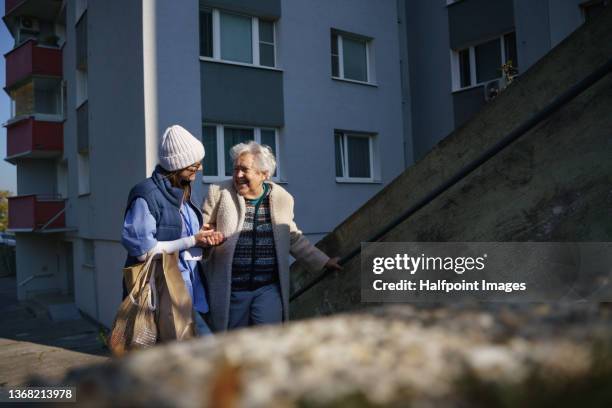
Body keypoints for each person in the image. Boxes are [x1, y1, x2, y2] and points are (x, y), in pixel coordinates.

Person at [202, 141, 342, 332]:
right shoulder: (219, 193)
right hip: (231, 290)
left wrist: (324, 261)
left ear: (264, 174)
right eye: (235, 169)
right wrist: (207, 239)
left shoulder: (282, 198)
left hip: (267, 288)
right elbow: (202, 229)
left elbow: (292, 236)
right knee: (233, 347)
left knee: (270, 340)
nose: (238, 175)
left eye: (244, 170)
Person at [121, 124, 224, 336]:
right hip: (165, 290)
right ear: (177, 165)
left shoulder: (182, 190)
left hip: (191, 284)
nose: (199, 170)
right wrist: (192, 240)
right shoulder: (146, 195)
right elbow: (142, 251)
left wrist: (202, 234)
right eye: (194, 166)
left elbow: (182, 231)